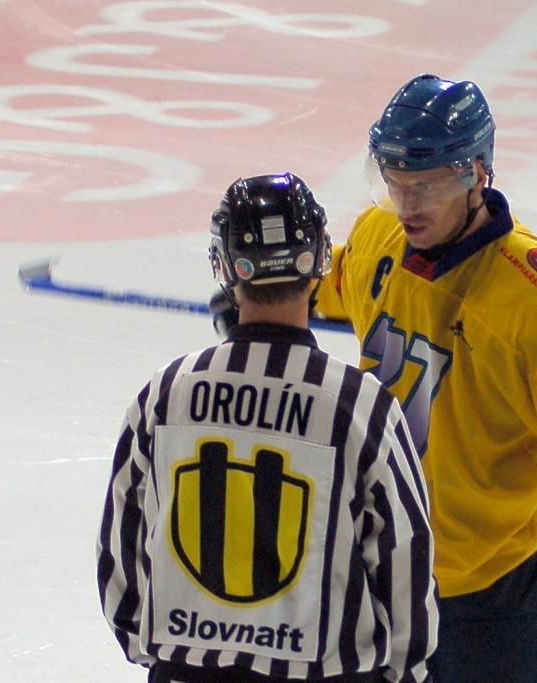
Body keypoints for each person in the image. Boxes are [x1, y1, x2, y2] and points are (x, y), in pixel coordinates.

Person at [307, 74, 537, 681]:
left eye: (427, 184)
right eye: (395, 180)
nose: (407, 204)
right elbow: (338, 282)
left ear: (477, 173)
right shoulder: (380, 237)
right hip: (386, 573)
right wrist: (274, 298)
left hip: (500, 594)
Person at [98, 172, 438, 682]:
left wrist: (170, 656)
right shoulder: (360, 407)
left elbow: (121, 557)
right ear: (318, 261)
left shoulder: (167, 394)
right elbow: (405, 559)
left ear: (225, 266)